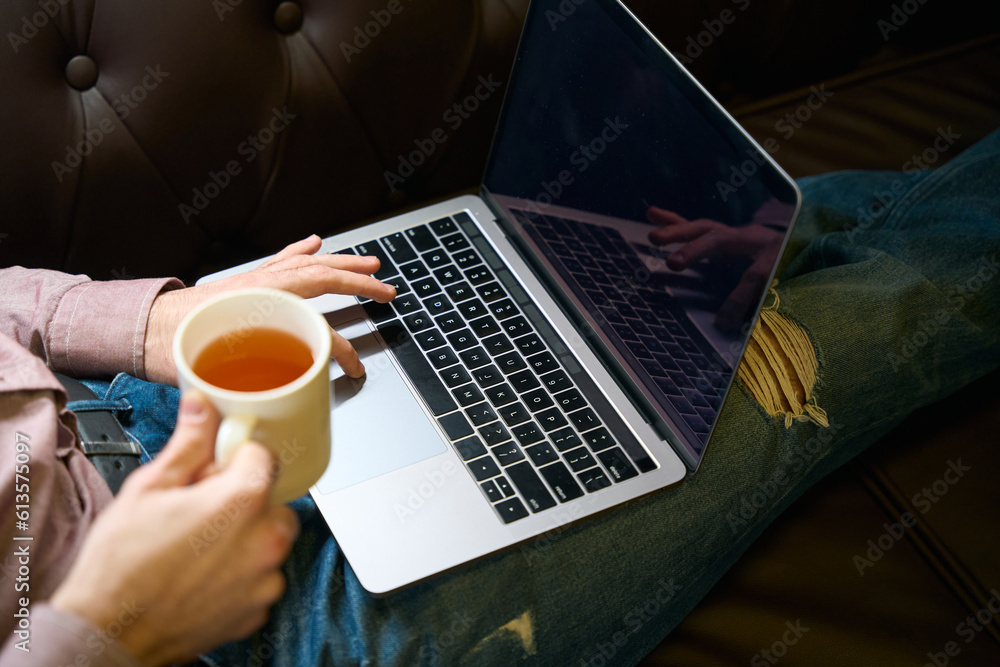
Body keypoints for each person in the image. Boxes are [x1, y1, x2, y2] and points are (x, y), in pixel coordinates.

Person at [2, 129, 999, 666]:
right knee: (799, 351)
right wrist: (112, 628)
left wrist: (160, 324)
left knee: (702, 243)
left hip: (144, 401)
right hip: (205, 635)